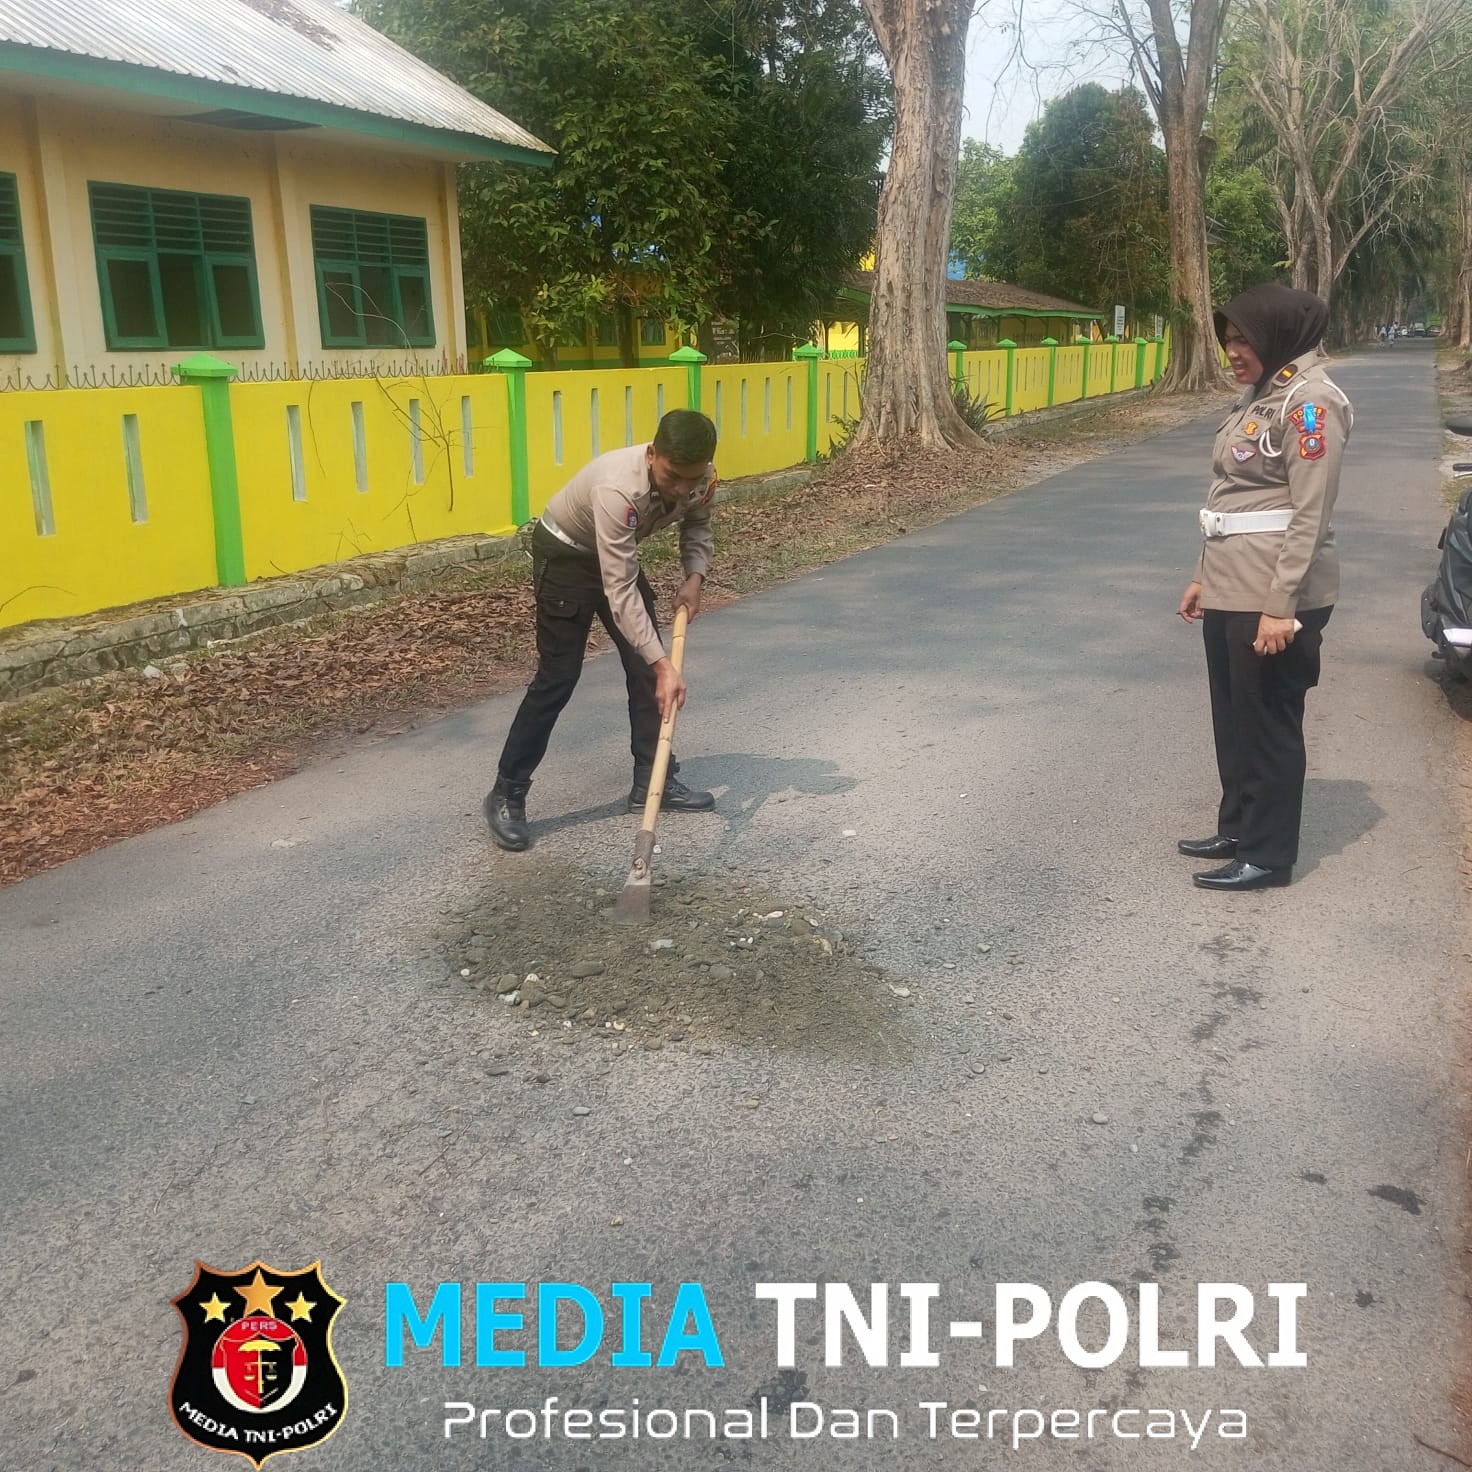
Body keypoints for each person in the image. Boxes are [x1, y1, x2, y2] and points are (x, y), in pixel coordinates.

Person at [1176, 283, 1353, 891]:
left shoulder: (1310, 405)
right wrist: (1204, 575)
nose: (1233, 351)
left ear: (1278, 335)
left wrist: (1282, 609)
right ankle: (1238, 827)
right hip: (1232, 584)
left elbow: (1309, 514)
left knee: (1269, 719)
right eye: (1228, 339)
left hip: (1276, 594)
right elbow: (1231, 496)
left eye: (1243, 338)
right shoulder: (1260, 397)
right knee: (1233, 714)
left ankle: (1269, 855)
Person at [484, 409, 719, 852]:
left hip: (615, 556)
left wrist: (694, 576)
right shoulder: (618, 488)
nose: (682, 488)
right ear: (652, 455)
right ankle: (506, 794)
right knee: (558, 678)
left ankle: (653, 782)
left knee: (649, 674)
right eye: (673, 476)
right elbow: (620, 589)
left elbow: (698, 524)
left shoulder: (702, 478)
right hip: (567, 554)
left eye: (692, 478)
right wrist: (664, 663)